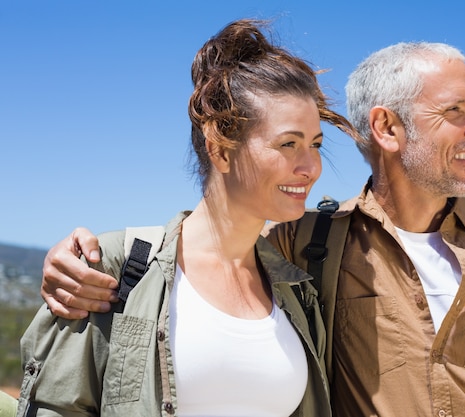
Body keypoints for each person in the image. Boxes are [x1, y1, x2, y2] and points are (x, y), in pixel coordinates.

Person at [38, 42, 465, 416]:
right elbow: (203, 239)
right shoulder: (306, 243)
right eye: (456, 112)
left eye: (314, 146)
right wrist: (84, 253)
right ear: (386, 127)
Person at [17, 18, 360, 417]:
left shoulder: (297, 291)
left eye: (315, 145)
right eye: (288, 143)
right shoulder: (114, 267)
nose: (311, 167)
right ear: (220, 148)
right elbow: (57, 406)